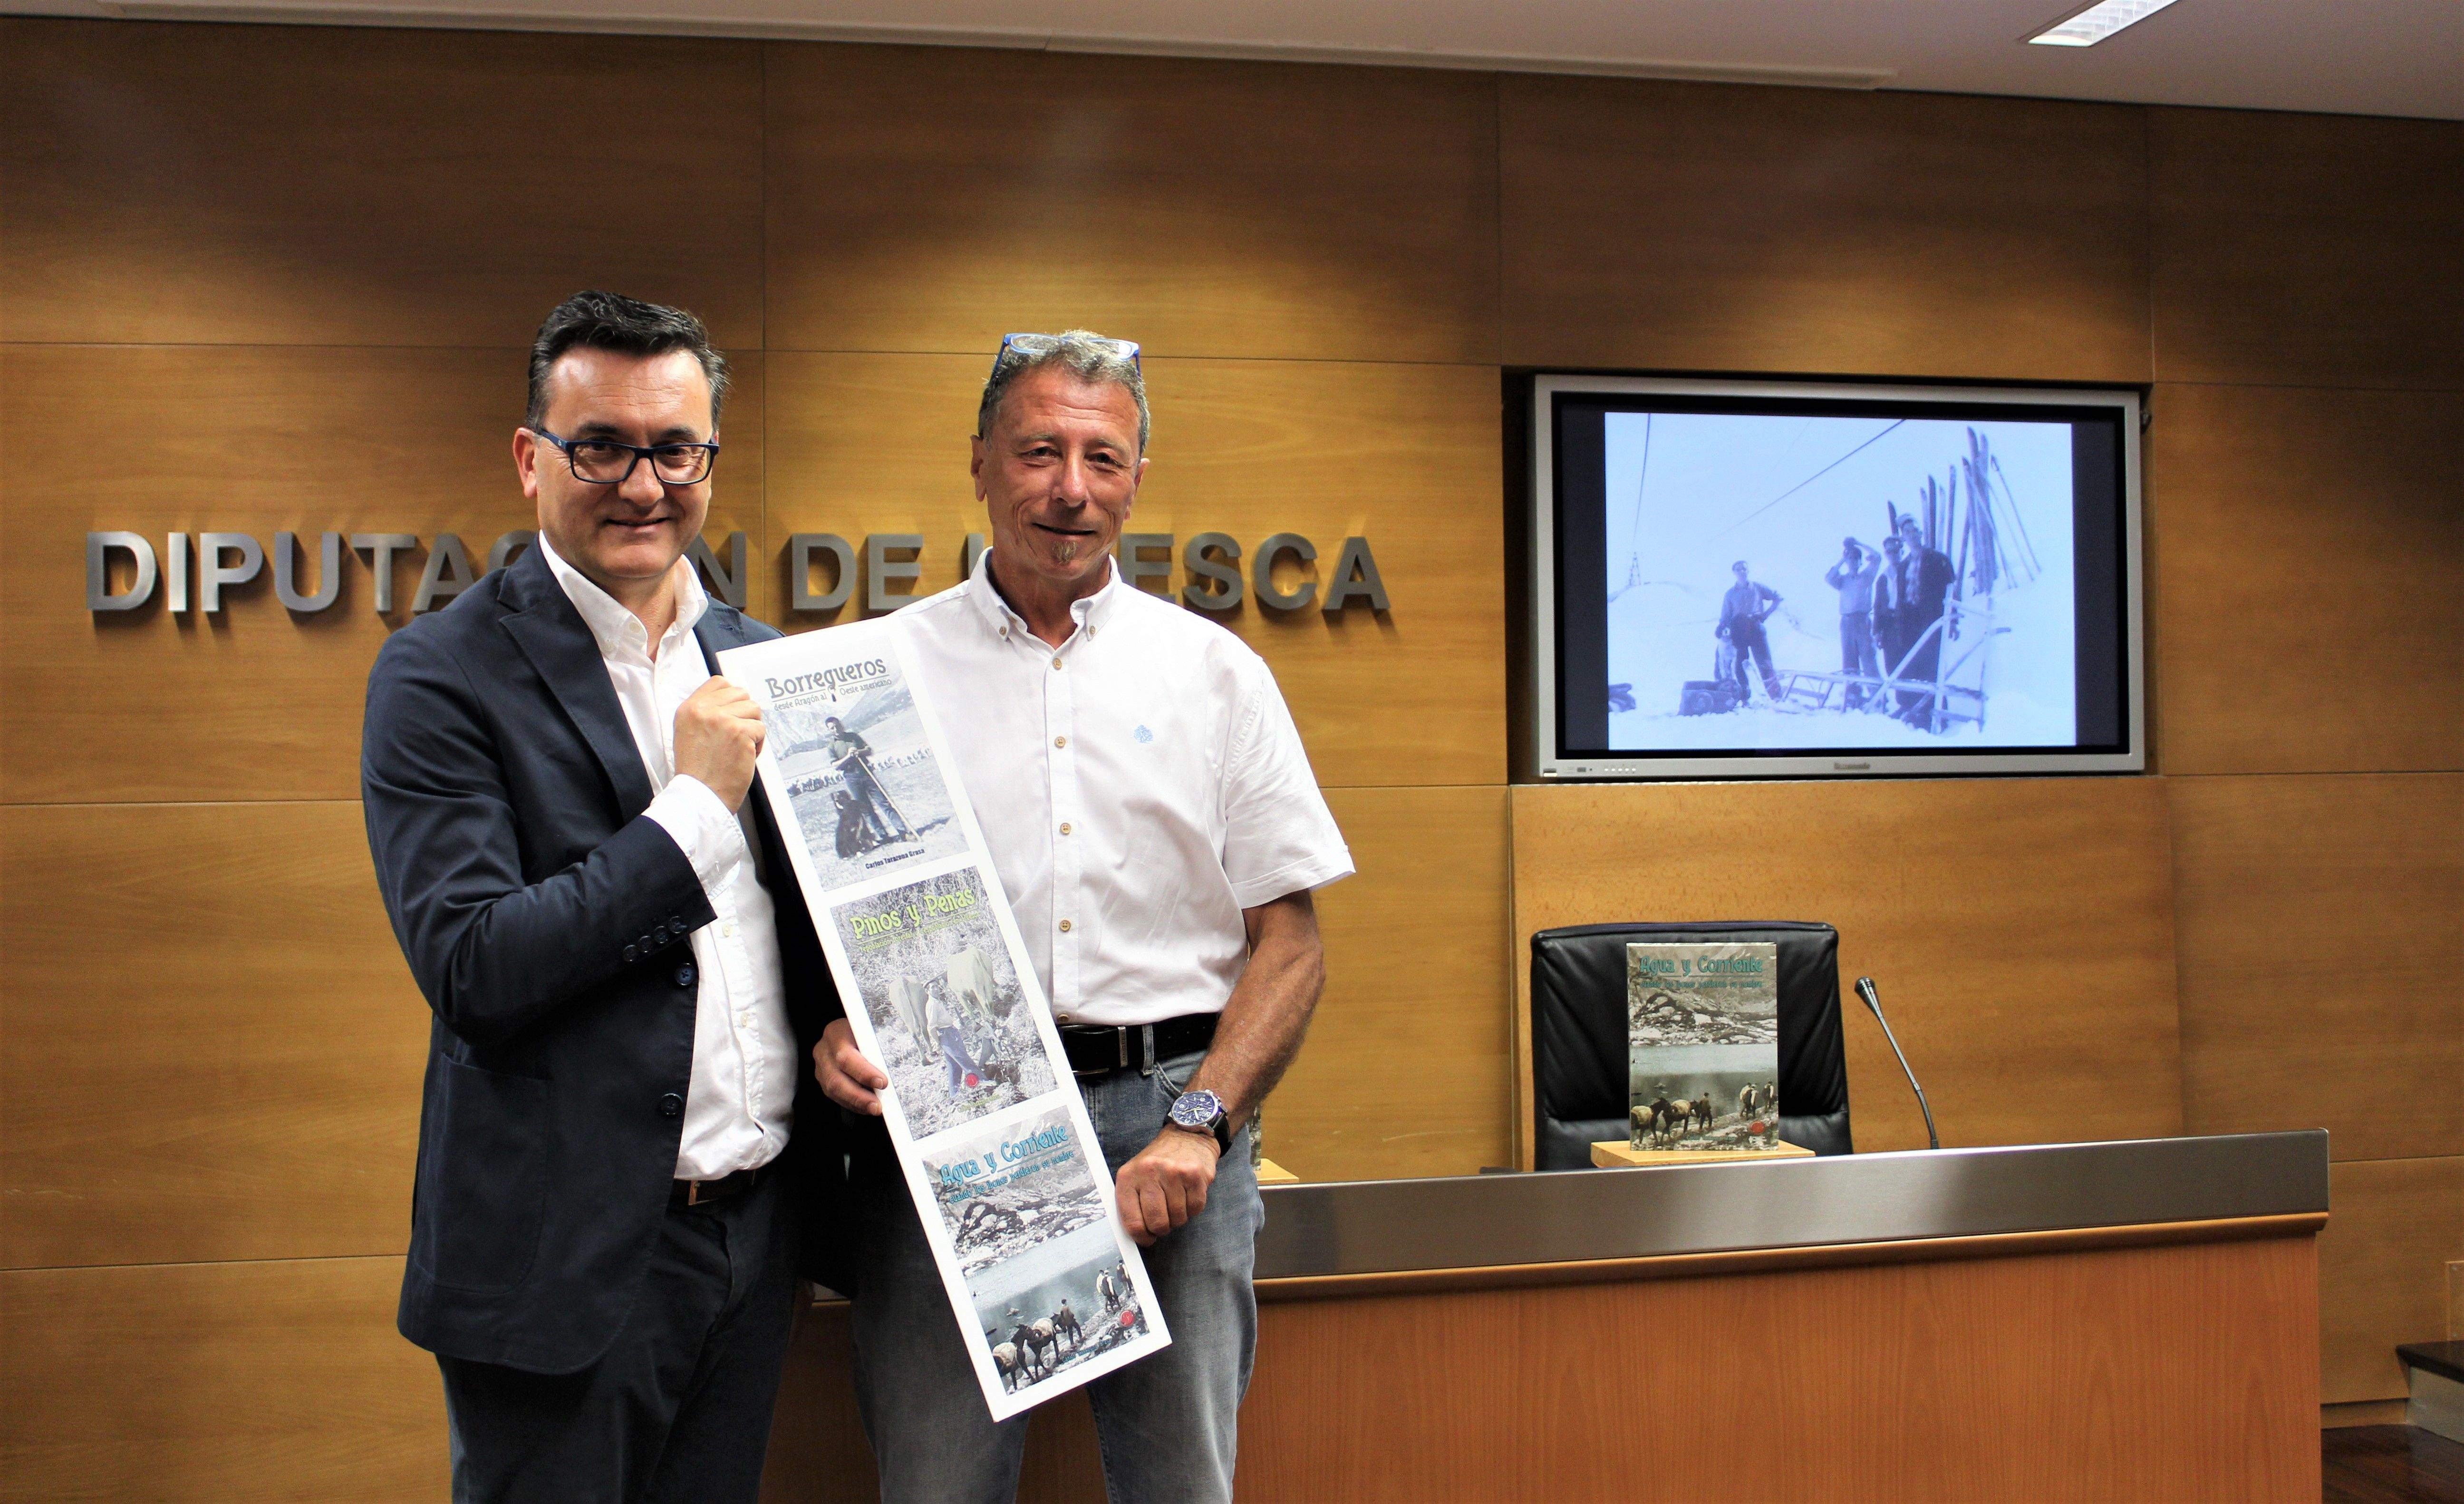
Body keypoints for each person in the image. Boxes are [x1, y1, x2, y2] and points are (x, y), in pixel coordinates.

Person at [814, 330, 1353, 1504]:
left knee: (1180, 1485)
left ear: (1136, 478)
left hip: (1170, 1127)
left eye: (1101, 458)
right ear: (978, 462)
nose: (1070, 487)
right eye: (1037, 451)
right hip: (953, 1125)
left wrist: (1201, 1122)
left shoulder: (1214, 672)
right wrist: (833, 1025)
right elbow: (825, 919)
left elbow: (1290, 944)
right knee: (936, 1483)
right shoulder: (870, 677)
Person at [360, 291, 851, 1503]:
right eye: (602, 448)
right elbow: (476, 965)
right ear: (531, 459)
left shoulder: (767, 659)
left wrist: (839, 1024)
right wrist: (692, 807)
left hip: (753, 1238)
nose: (643, 484)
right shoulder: (440, 673)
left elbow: (796, 932)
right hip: (562, 1262)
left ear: (709, 459)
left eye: (675, 449)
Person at [1893, 517, 1957, 724]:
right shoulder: (1903, 566)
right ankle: (1916, 709)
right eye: (1907, 532)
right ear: (1903, 538)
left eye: (1915, 531)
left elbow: (1951, 590)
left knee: (1932, 667)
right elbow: (1901, 597)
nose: (1912, 535)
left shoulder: (1937, 560)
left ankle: (1937, 713)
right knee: (1913, 666)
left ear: (1921, 534)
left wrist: (1953, 620)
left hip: (1931, 619)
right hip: (1910, 623)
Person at [824, 714, 912, 844]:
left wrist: (859, 752)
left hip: (866, 773)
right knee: (867, 809)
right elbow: (835, 765)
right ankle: (884, 837)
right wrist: (848, 756)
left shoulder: (853, 737)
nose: (836, 729)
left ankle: (903, 833)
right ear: (829, 730)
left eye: (837, 726)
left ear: (841, 725)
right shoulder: (832, 746)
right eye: (832, 728)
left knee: (884, 803)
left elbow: (869, 750)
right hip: (851, 778)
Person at [1716, 560, 1785, 703]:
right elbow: (1726, 615)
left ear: (1748, 571)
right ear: (1734, 573)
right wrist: (1721, 627)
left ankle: (1777, 697)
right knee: (1741, 665)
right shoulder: (1730, 594)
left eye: (1744, 569)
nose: (1742, 572)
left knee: (1765, 663)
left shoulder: (1757, 588)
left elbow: (1777, 598)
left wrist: (1766, 615)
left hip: (1755, 628)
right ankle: (1744, 698)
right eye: (1738, 569)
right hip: (1739, 631)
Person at [1824, 536, 1881, 708]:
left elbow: (1877, 557)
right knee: (1849, 661)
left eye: (1856, 558)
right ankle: (1852, 696)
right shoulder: (1843, 580)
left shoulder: (1867, 576)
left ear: (1860, 561)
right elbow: (1829, 578)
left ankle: (1877, 697)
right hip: (1846, 622)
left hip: (1862, 621)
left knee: (1868, 659)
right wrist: (1843, 558)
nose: (1853, 562)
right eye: (1851, 559)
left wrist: (1859, 544)